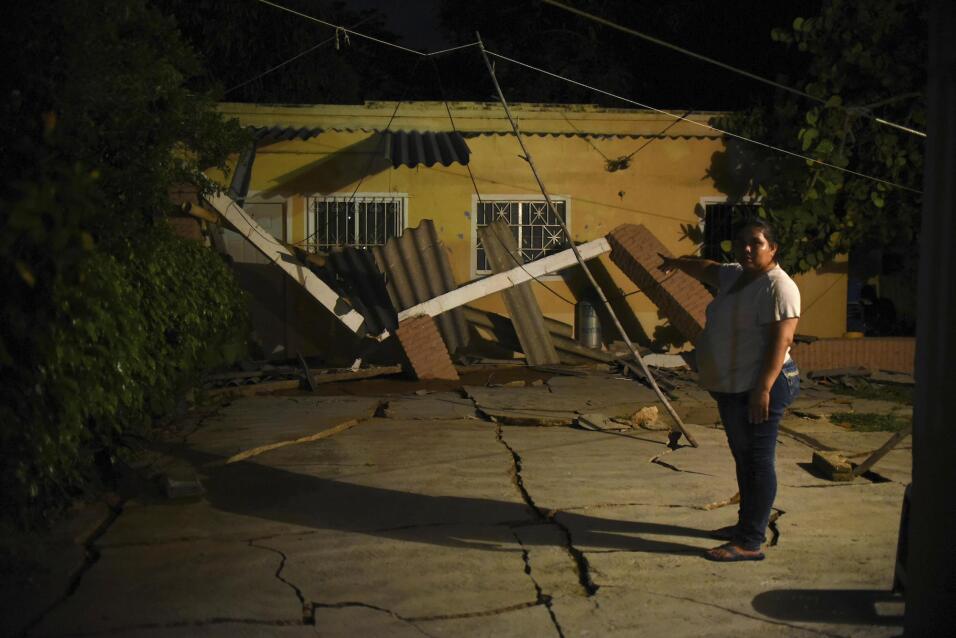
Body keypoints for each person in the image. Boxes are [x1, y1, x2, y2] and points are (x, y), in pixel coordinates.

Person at [659, 218, 801, 562]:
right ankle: (745, 525)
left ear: (774, 248)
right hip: (732, 385)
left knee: (757, 461)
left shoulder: (779, 287)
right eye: (742, 243)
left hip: (763, 385)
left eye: (756, 243)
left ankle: (750, 541)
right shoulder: (736, 275)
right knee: (744, 458)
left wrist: (763, 390)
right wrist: (675, 263)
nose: (748, 249)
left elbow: (781, 343)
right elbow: (706, 268)